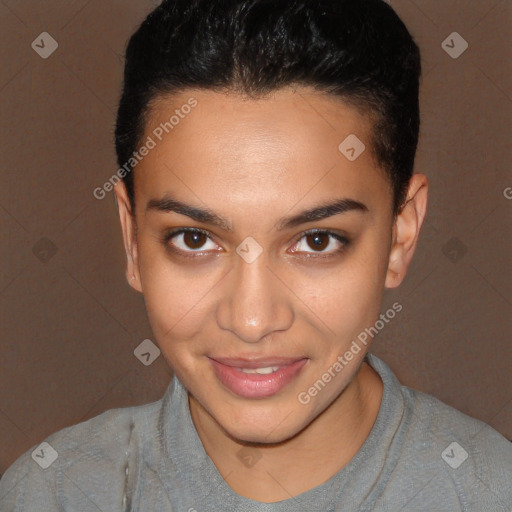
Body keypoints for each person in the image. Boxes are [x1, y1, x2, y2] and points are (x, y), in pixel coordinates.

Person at [1, 0, 510, 510]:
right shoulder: (53, 493)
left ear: (401, 235)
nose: (251, 320)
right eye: (194, 240)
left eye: (316, 241)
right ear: (133, 239)